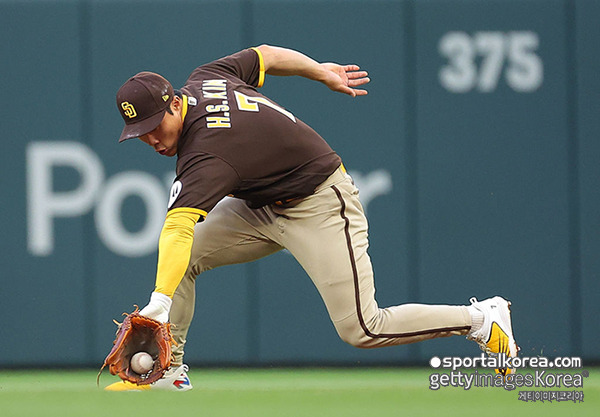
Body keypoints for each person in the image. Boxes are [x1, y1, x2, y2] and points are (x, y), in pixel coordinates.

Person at [105, 45, 518, 391]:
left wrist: (158, 303)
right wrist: (318, 71)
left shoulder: (206, 152)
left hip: (318, 201)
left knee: (363, 328)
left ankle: (480, 319)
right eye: (142, 133)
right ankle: (170, 371)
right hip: (260, 204)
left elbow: (177, 226)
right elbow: (265, 55)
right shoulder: (207, 78)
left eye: (157, 125)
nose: (153, 139)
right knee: (185, 259)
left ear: (175, 102)